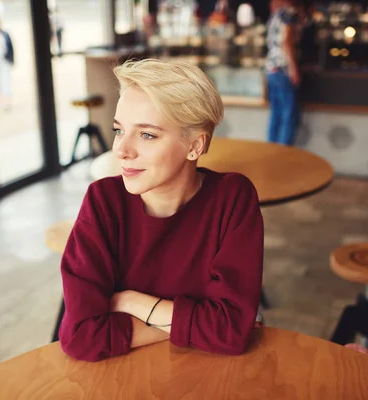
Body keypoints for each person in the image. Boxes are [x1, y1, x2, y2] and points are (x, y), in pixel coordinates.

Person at [59, 59, 264, 362]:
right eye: (119, 130)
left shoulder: (232, 199)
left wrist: (132, 302)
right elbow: (80, 337)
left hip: (209, 377)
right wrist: (195, 324)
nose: (122, 150)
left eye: (147, 135)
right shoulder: (104, 202)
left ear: (195, 146)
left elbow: (232, 331)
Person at [266, 0, 300, 145]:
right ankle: (284, 155)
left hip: (270, 68)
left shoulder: (275, 15)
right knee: (288, 116)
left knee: (276, 114)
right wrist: (294, 68)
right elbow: (286, 42)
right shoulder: (289, 13)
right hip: (283, 69)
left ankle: (271, 152)